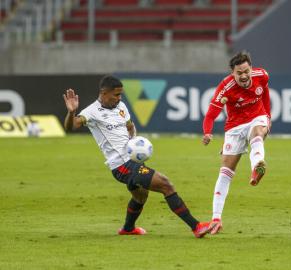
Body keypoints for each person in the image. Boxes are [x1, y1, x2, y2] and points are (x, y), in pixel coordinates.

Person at [63, 75, 213, 238]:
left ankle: (127, 229)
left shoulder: (121, 107)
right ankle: (196, 227)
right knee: (165, 184)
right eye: (116, 95)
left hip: (131, 161)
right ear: (104, 93)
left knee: (140, 195)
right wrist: (71, 112)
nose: (119, 98)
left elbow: (129, 126)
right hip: (121, 165)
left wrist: (134, 142)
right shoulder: (91, 112)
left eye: (121, 94)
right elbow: (71, 126)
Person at [202, 51, 271, 234]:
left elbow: (265, 94)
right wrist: (207, 132)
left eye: (246, 71)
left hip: (257, 117)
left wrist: (268, 117)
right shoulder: (226, 87)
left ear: (251, 68)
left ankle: (257, 165)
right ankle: (216, 218)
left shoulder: (262, 75)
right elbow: (211, 114)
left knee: (257, 132)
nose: (243, 76)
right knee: (225, 173)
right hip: (234, 127)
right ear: (232, 73)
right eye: (239, 73)